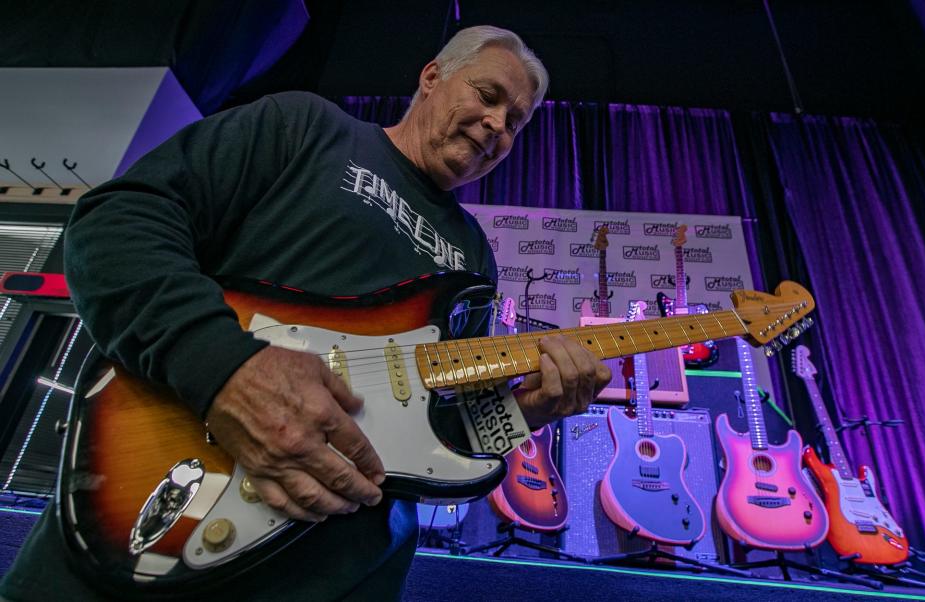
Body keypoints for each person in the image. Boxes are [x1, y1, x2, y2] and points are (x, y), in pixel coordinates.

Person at [0, 25, 611, 601]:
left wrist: (528, 412)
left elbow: (442, 433)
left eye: (517, 121)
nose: (498, 124)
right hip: (167, 498)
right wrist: (223, 369)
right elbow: (119, 222)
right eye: (488, 94)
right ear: (431, 76)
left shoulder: (475, 259)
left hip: (341, 570)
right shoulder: (306, 126)